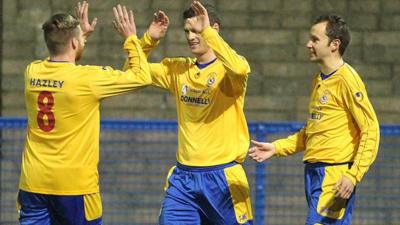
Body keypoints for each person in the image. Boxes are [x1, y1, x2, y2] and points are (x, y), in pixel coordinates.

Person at [17, 2, 151, 225]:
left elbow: (63, 56)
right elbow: (142, 77)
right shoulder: (87, 80)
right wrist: (131, 38)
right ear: (73, 42)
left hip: (33, 182)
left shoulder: (32, 72)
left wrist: (80, 37)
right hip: (74, 186)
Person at [127, 1, 253, 224]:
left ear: (213, 29)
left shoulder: (229, 71)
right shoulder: (178, 69)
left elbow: (241, 69)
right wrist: (149, 39)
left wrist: (208, 33)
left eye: (196, 30)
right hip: (183, 180)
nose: (191, 37)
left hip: (222, 177)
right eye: (187, 31)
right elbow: (130, 73)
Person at [249, 15, 380, 225]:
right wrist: (276, 147)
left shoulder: (347, 79)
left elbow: (371, 129)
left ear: (334, 44)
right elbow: (311, 131)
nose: (308, 44)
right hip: (313, 173)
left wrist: (353, 175)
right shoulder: (319, 80)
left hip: (334, 175)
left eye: (315, 39)